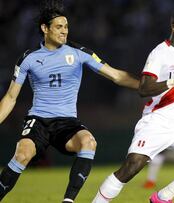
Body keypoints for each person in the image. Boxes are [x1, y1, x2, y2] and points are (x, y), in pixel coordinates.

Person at [0, 1, 139, 203]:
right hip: (38, 120)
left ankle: (68, 201)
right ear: (44, 29)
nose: (64, 31)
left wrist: (144, 86)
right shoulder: (28, 58)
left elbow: (116, 75)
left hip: (67, 122)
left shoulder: (79, 52)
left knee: (89, 142)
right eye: (59, 27)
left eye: (66, 27)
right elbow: (11, 97)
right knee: (23, 154)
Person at [92, 7, 174, 203]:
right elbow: (144, 88)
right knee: (131, 167)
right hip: (156, 121)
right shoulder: (159, 53)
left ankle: (162, 198)